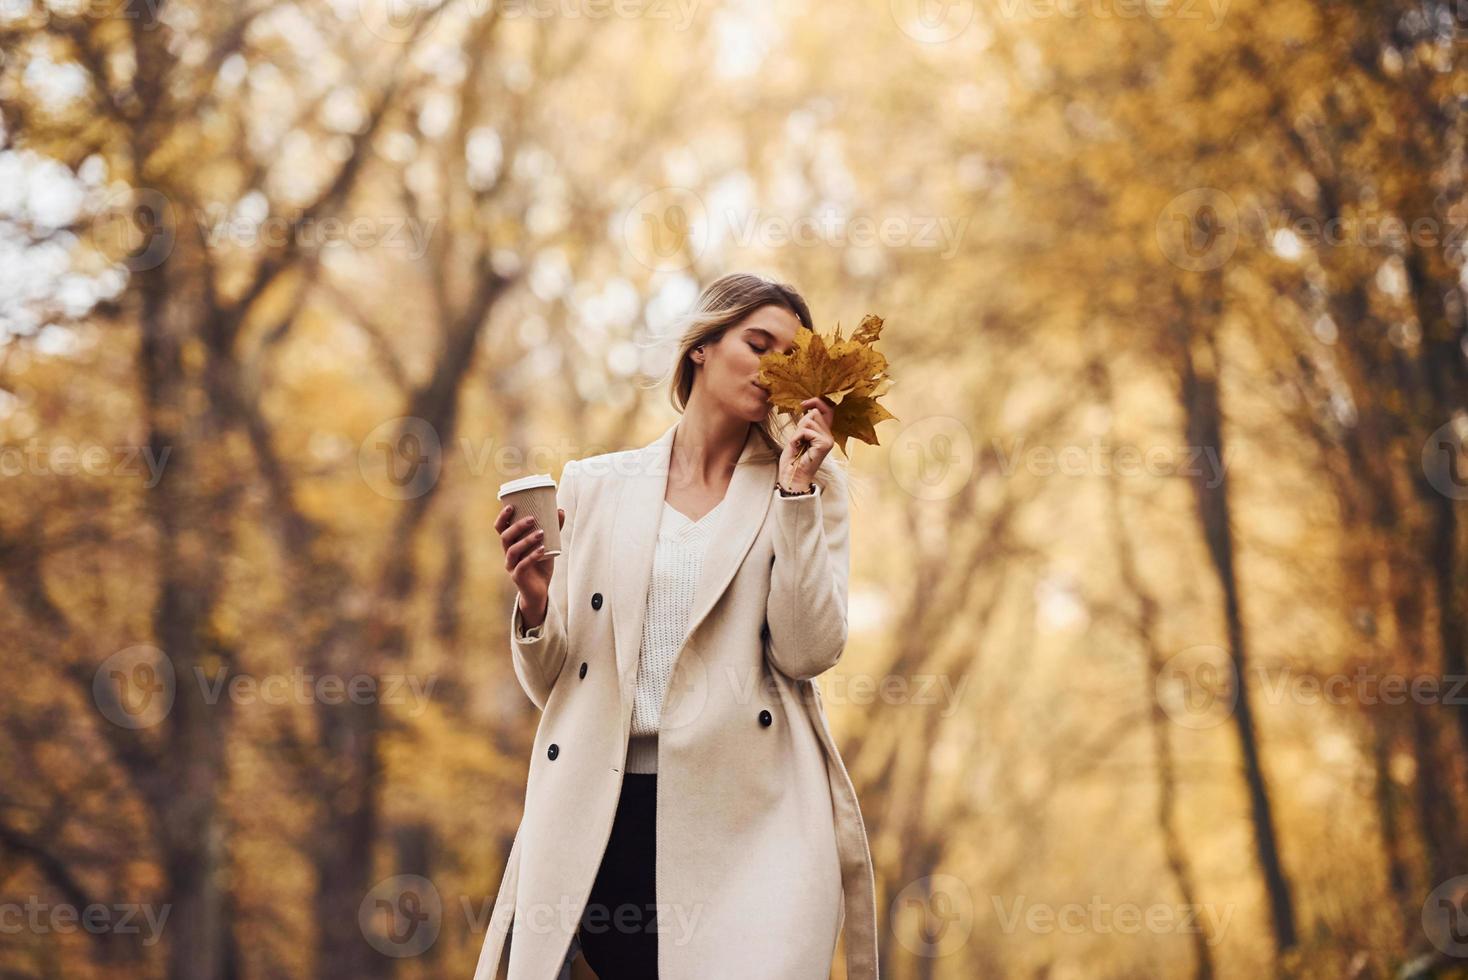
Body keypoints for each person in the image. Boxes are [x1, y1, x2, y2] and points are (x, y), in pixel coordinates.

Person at [482, 273, 880, 980]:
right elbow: (558, 689)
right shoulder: (595, 485)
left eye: (789, 359)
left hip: (747, 815)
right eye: (758, 344)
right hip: (604, 815)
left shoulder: (810, 482)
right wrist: (538, 603)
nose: (771, 370)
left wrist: (795, 495)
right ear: (702, 346)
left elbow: (808, 650)